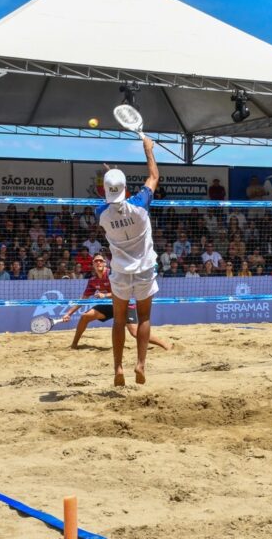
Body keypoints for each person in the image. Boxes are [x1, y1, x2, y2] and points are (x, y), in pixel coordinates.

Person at [98, 136, 160, 386]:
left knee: (119, 320)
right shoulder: (140, 206)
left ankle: (118, 368)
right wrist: (148, 150)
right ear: (126, 189)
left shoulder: (101, 214)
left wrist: (109, 179)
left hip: (121, 272)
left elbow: (109, 199)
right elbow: (154, 176)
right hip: (144, 269)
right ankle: (140, 364)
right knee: (144, 318)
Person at [62, 253, 171, 351]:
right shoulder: (92, 281)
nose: (98, 262)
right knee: (85, 316)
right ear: (93, 264)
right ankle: (74, 344)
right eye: (96, 261)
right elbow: (83, 299)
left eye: (101, 260)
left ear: (105, 263)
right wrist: (69, 313)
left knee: (134, 332)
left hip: (125, 304)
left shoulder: (113, 275)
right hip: (110, 306)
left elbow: (124, 292)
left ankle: (165, 345)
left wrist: (105, 295)